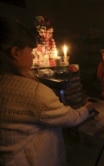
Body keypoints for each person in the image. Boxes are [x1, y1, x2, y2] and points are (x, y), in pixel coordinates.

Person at [0, 16, 94, 166]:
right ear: (15, 52)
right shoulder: (32, 91)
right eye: (30, 51)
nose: (32, 55)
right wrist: (86, 109)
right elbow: (69, 118)